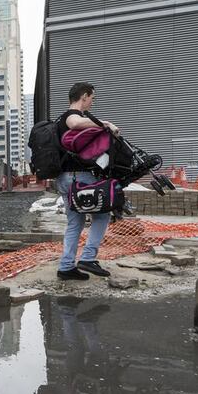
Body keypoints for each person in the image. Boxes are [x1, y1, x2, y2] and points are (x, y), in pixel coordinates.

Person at [55, 82, 119, 280]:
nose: (92, 101)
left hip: (65, 178)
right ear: (84, 96)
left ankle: (66, 267)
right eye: (92, 97)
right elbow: (74, 122)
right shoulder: (70, 117)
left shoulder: (59, 120)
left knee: (76, 222)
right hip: (79, 177)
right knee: (102, 215)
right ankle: (88, 258)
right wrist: (105, 124)